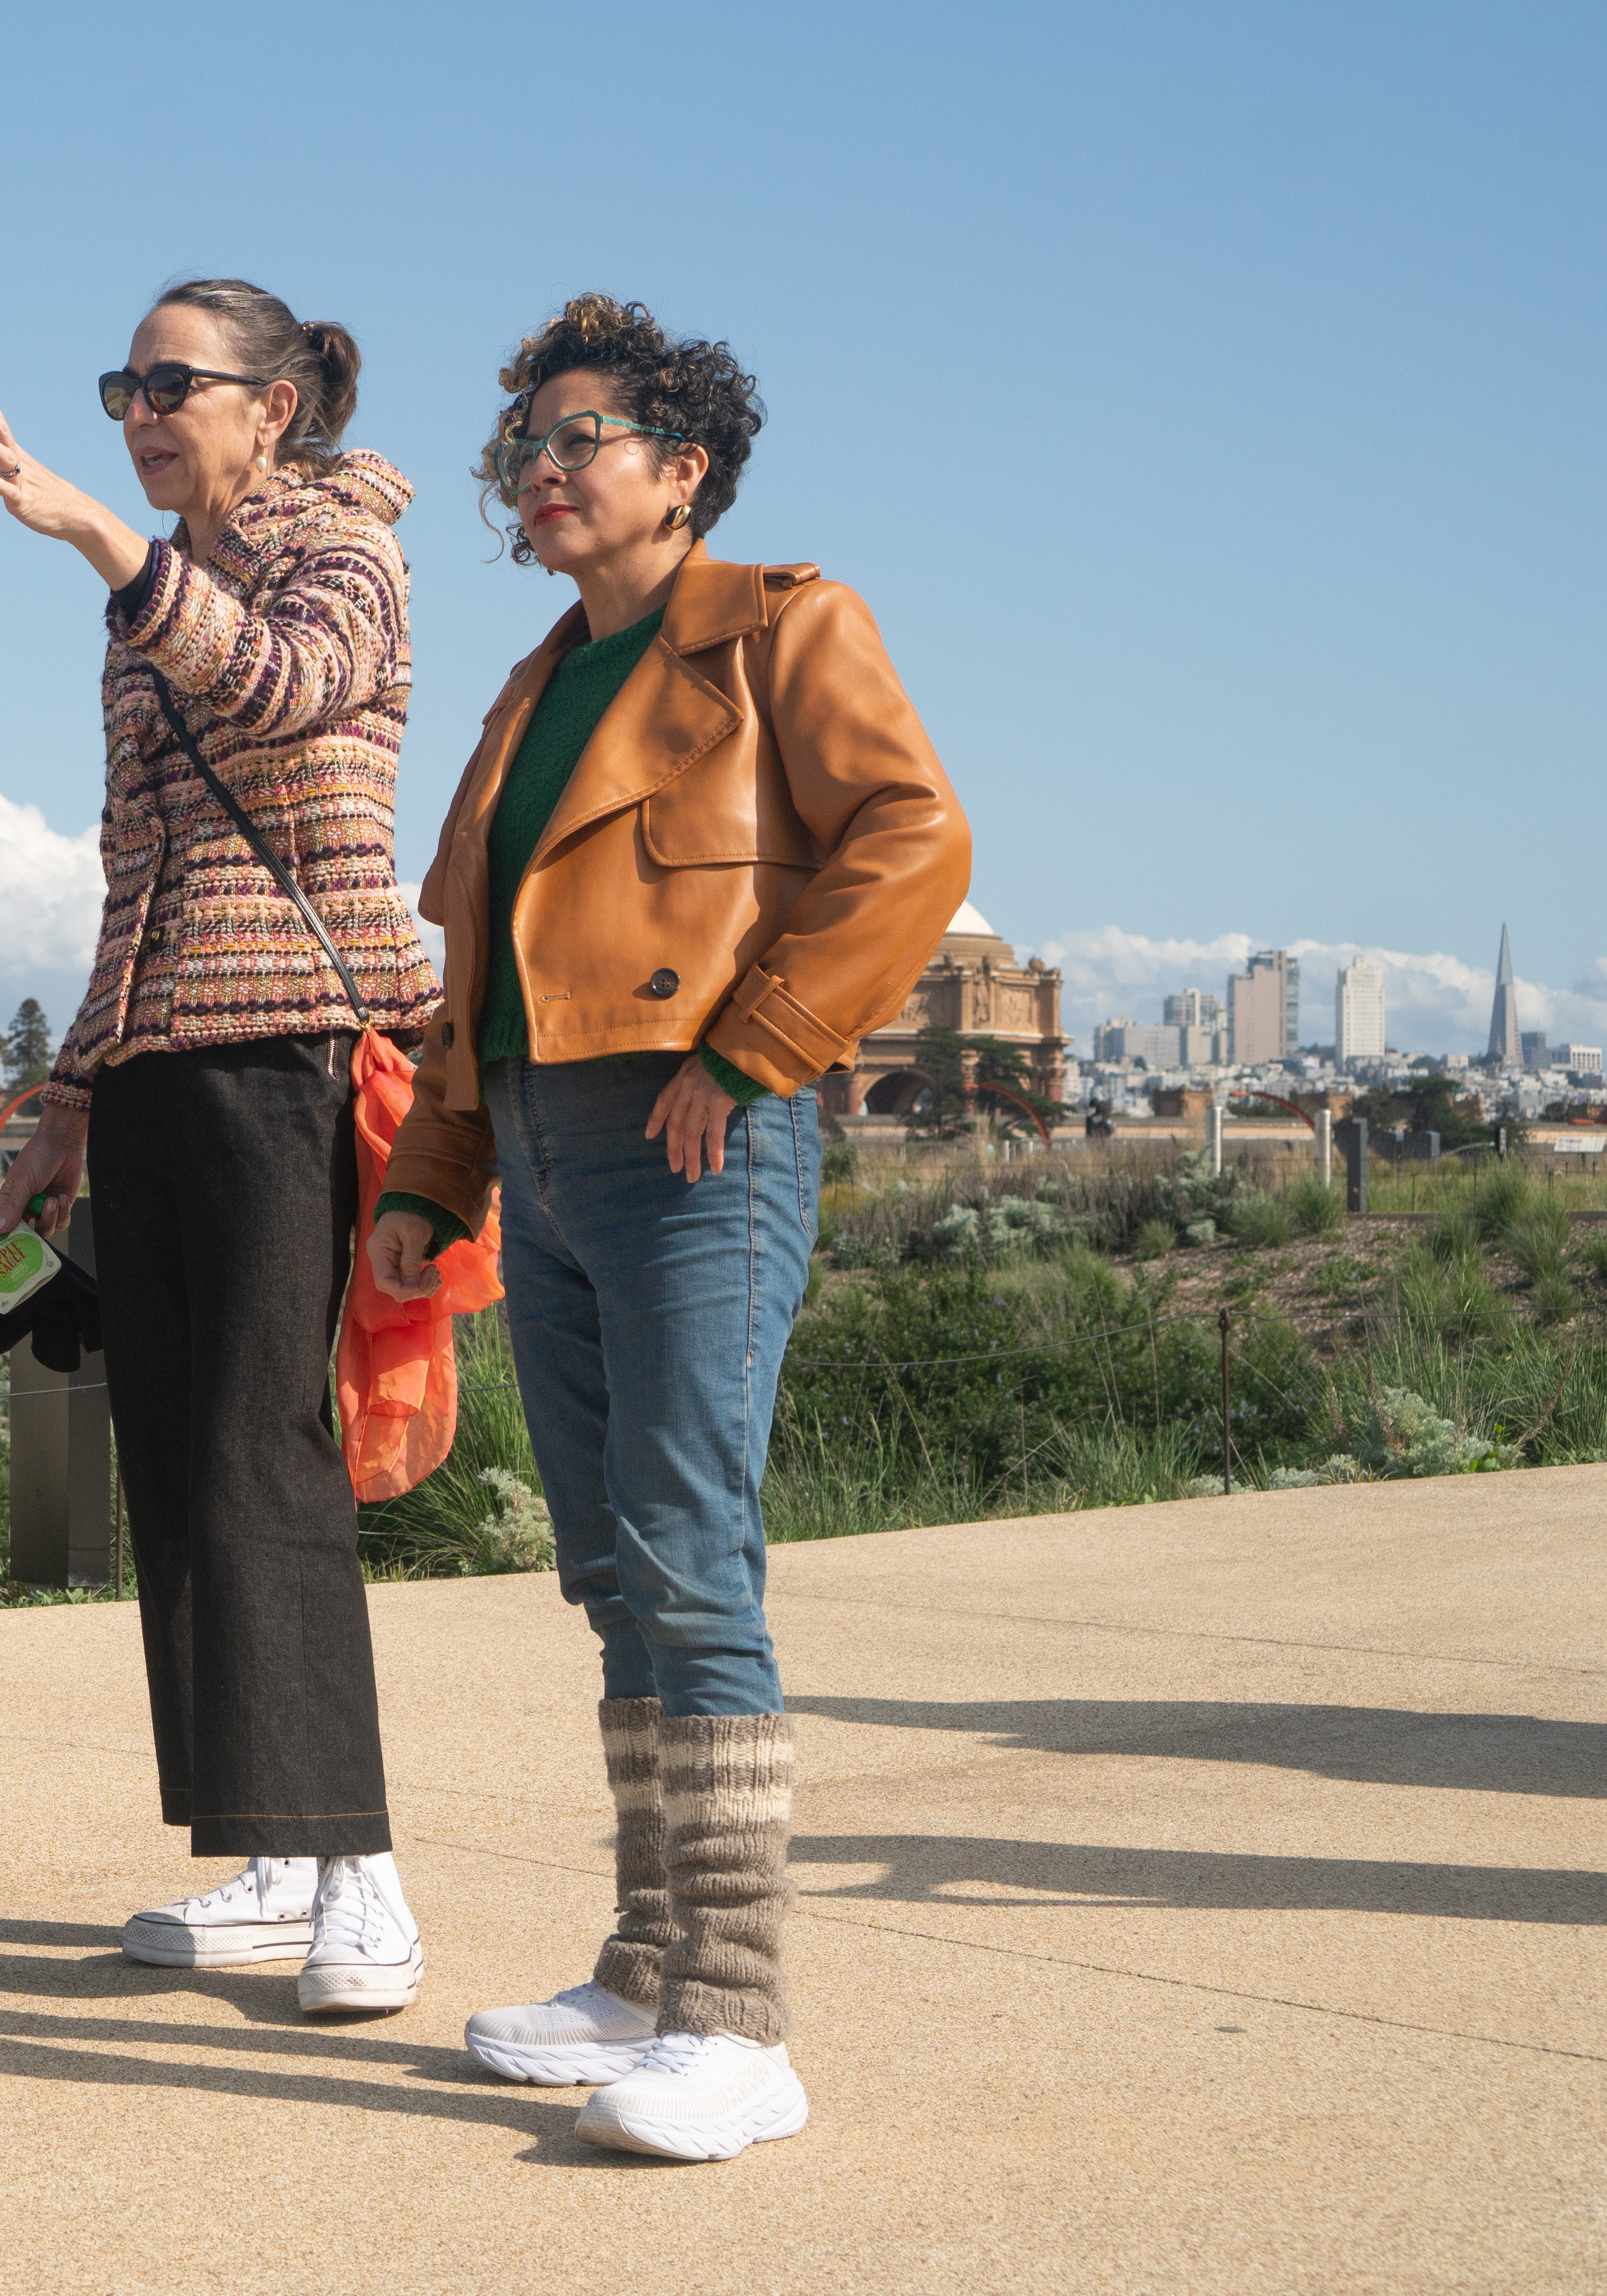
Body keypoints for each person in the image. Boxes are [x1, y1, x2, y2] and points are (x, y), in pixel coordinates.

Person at [367, 296, 969, 2157]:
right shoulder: (538, 689)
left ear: (681, 467)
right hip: (540, 1144)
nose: (538, 476)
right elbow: (479, 965)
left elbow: (915, 838)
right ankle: (645, 1966)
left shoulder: (782, 625)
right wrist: (434, 1176)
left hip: (697, 1136)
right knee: (612, 1566)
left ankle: (739, 2016)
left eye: (578, 443)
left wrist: (757, 1044)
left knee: (695, 1553)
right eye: (522, 451)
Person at [0, 279, 441, 2015]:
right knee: (175, 1463)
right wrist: (75, 1093)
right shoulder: (150, 600)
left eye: (176, 384)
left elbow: (289, 691)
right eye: (124, 388)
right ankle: (272, 1848)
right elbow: (134, 871)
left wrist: (105, 539)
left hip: (290, 1051)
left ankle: (366, 1871)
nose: (143, 413)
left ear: (282, 399)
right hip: (165, 1056)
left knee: (265, 1449)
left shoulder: (344, 549)